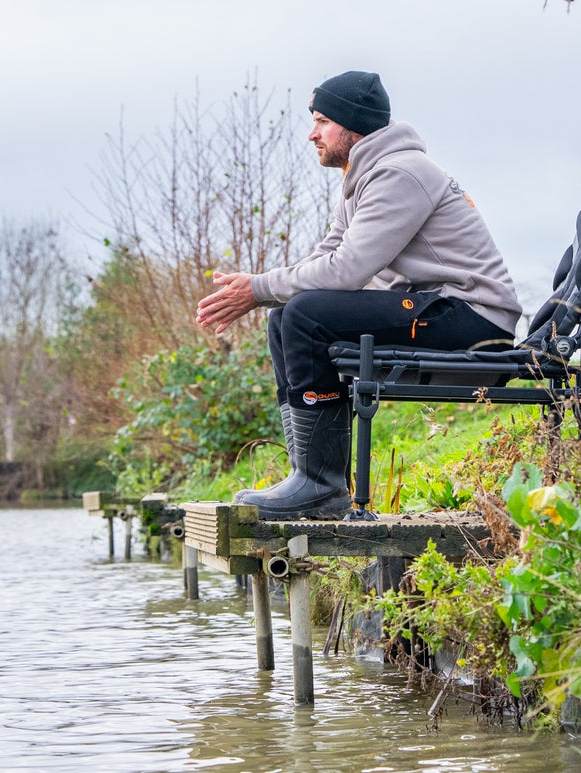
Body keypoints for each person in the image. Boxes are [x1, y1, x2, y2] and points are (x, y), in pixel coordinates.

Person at [196, 71, 521, 519]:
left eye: (322, 121)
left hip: (473, 319)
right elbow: (327, 256)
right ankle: (308, 476)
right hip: (441, 309)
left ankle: (320, 485)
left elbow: (347, 269)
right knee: (285, 315)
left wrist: (258, 287)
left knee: (305, 314)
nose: (312, 134)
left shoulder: (400, 173)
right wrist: (262, 290)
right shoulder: (364, 175)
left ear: (354, 125)